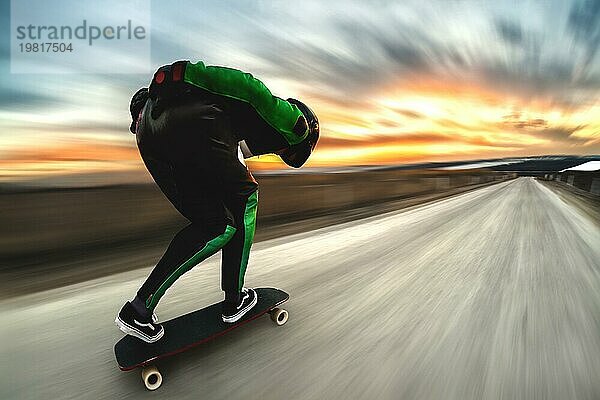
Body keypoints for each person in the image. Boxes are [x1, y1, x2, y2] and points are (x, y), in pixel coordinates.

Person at [115, 60, 319, 343]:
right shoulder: (297, 124)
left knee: (212, 224)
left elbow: (223, 157)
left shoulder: (248, 130)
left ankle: (138, 310)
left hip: (149, 136)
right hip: (195, 121)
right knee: (246, 201)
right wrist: (186, 73)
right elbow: (249, 86)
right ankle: (235, 300)